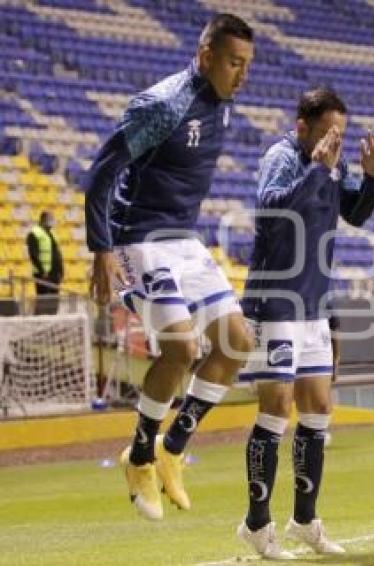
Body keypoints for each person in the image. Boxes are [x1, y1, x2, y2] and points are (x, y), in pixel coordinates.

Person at [83, 13, 255, 520]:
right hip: (139, 238)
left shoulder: (223, 103)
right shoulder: (163, 105)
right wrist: (102, 250)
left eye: (246, 64)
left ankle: (172, 447)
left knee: (238, 341)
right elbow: (100, 174)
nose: (241, 75)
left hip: (185, 240)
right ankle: (138, 456)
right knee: (182, 347)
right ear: (205, 58)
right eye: (232, 63)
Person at [237, 87, 374, 559]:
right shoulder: (282, 157)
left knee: (319, 409)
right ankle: (256, 525)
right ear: (302, 126)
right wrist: (317, 168)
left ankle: (305, 520)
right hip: (275, 303)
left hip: (312, 307)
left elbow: (357, 214)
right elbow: (272, 210)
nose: (332, 143)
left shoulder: (332, 162)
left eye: (338, 135)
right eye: (326, 134)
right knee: (276, 409)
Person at [26, 210, 63, 315]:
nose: (52, 222)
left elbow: (57, 254)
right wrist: (42, 272)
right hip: (43, 275)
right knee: (44, 302)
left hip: (54, 275)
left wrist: (60, 272)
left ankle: (52, 324)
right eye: (49, 219)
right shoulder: (35, 233)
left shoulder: (52, 234)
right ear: (43, 220)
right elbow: (33, 254)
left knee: (53, 303)